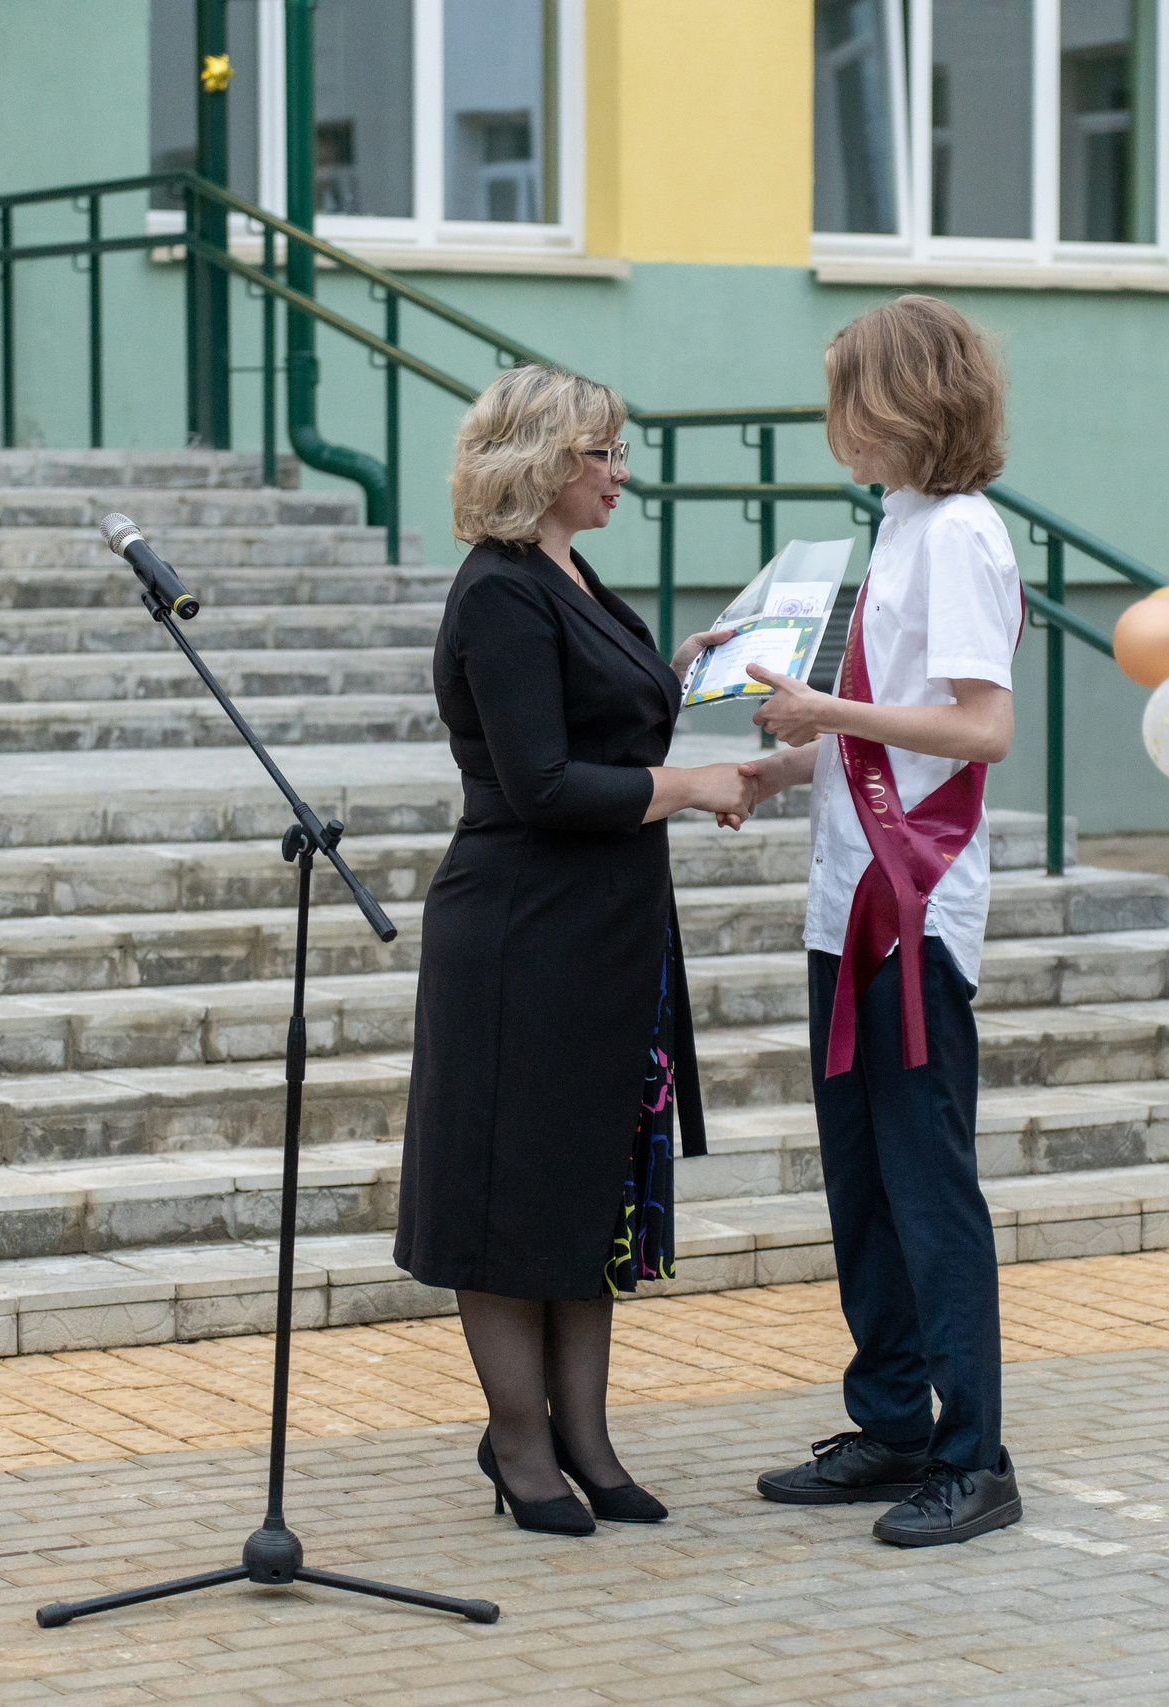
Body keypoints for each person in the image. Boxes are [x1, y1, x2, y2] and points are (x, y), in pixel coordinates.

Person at [394, 364, 749, 1536]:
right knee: (510, 1193)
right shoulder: (496, 591)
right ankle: (518, 1441)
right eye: (602, 454)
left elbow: (595, 712)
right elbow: (542, 780)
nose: (619, 474)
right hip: (520, 936)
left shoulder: (570, 574)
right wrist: (690, 783)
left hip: (602, 932)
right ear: (542, 462)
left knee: (585, 1189)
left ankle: (587, 1438)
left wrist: (682, 669)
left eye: (619, 452)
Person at [734, 296, 1025, 1547]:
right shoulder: (902, 530)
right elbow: (885, 720)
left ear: (896, 401)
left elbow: (978, 727)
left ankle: (973, 1457)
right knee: (863, 1184)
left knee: (926, 1189)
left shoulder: (959, 537)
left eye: (844, 393)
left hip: (910, 905)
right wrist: (778, 763)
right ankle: (894, 1420)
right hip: (847, 894)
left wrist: (826, 717)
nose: (830, 418)